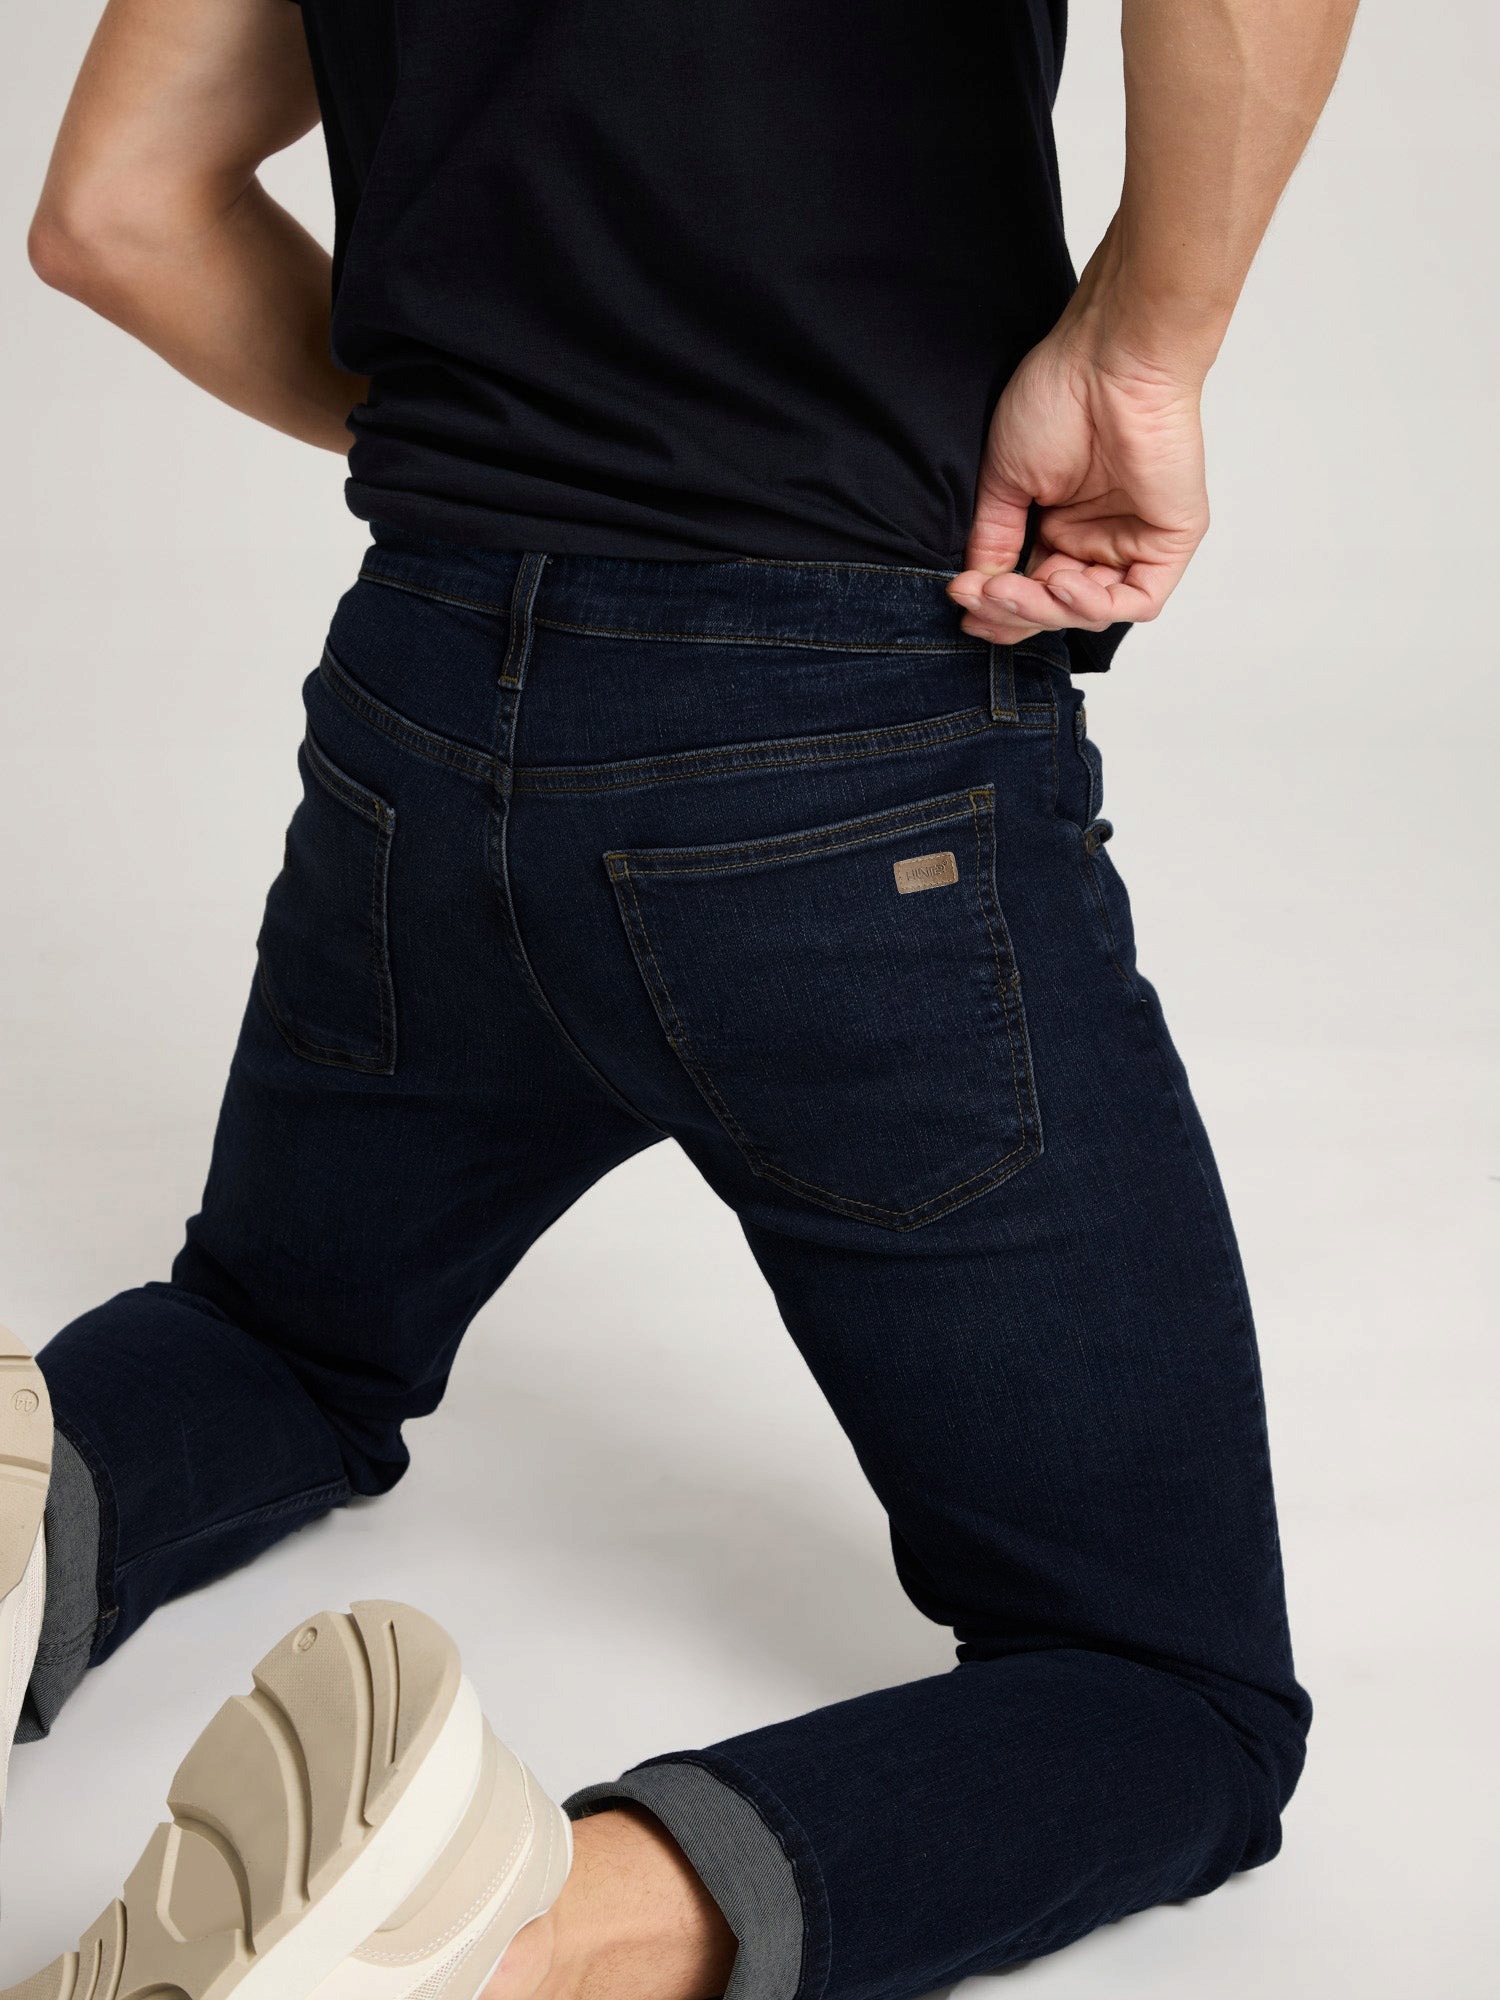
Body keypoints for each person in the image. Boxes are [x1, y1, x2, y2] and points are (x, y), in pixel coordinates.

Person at [1, 0, 1359, 1995]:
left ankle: (28, 1524)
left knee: (272, 1338)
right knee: (1169, 1688)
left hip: (422, 710)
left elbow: (116, 211)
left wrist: (514, 464)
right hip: (840, 755)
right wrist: (1138, 351)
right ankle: (508, 1941)